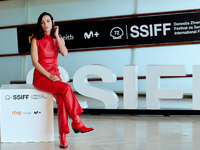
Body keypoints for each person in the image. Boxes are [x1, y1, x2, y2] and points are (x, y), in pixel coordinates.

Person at [30, 12, 94, 148]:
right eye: (42, 22)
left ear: (53, 22)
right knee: (66, 88)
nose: (45, 24)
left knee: (62, 102)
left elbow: (64, 53)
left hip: (55, 76)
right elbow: (35, 63)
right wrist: (48, 76)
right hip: (42, 78)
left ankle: (63, 138)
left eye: (47, 21)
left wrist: (57, 35)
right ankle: (76, 121)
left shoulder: (58, 39)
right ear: (40, 25)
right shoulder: (36, 40)